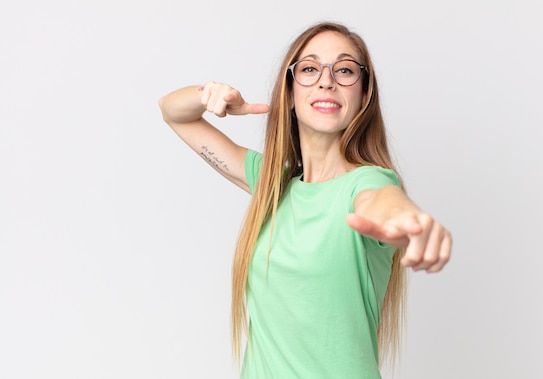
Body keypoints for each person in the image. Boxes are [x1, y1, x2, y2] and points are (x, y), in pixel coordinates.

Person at [159, 21, 452, 379]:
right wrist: (209, 95)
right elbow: (173, 111)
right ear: (290, 93)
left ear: (363, 95)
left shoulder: (367, 182)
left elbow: (382, 202)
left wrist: (409, 221)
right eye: (310, 69)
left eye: (344, 70)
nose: (326, 80)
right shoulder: (270, 183)